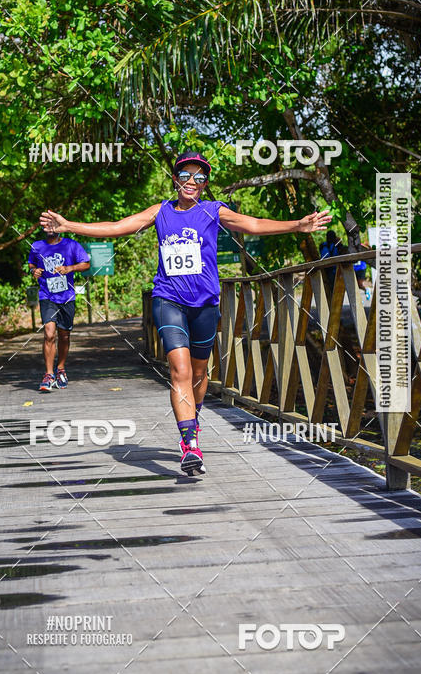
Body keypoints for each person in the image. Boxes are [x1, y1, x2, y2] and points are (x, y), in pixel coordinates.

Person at [39, 150, 331, 474]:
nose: (193, 181)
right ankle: (189, 443)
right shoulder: (160, 211)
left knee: (199, 373)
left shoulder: (212, 211)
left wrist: (298, 225)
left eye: (200, 177)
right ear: (175, 179)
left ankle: (193, 414)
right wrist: (68, 225)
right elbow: (117, 227)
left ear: (205, 185)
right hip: (168, 300)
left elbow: (254, 224)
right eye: (186, 175)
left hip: (205, 304)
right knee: (180, 371)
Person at [28, 229, 90, 392]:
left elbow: (86, 263)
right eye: (46, 227)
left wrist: (69, 269)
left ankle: (60, 368)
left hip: (67, 296)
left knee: (64, 335)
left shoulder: (71, 245)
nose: (49, 230)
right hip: (47, 296)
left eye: (52, 226)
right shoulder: (37, 246)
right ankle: (48, 374)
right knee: (49, 334)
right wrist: (34, 271)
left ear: (58, 228)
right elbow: (31, 264)